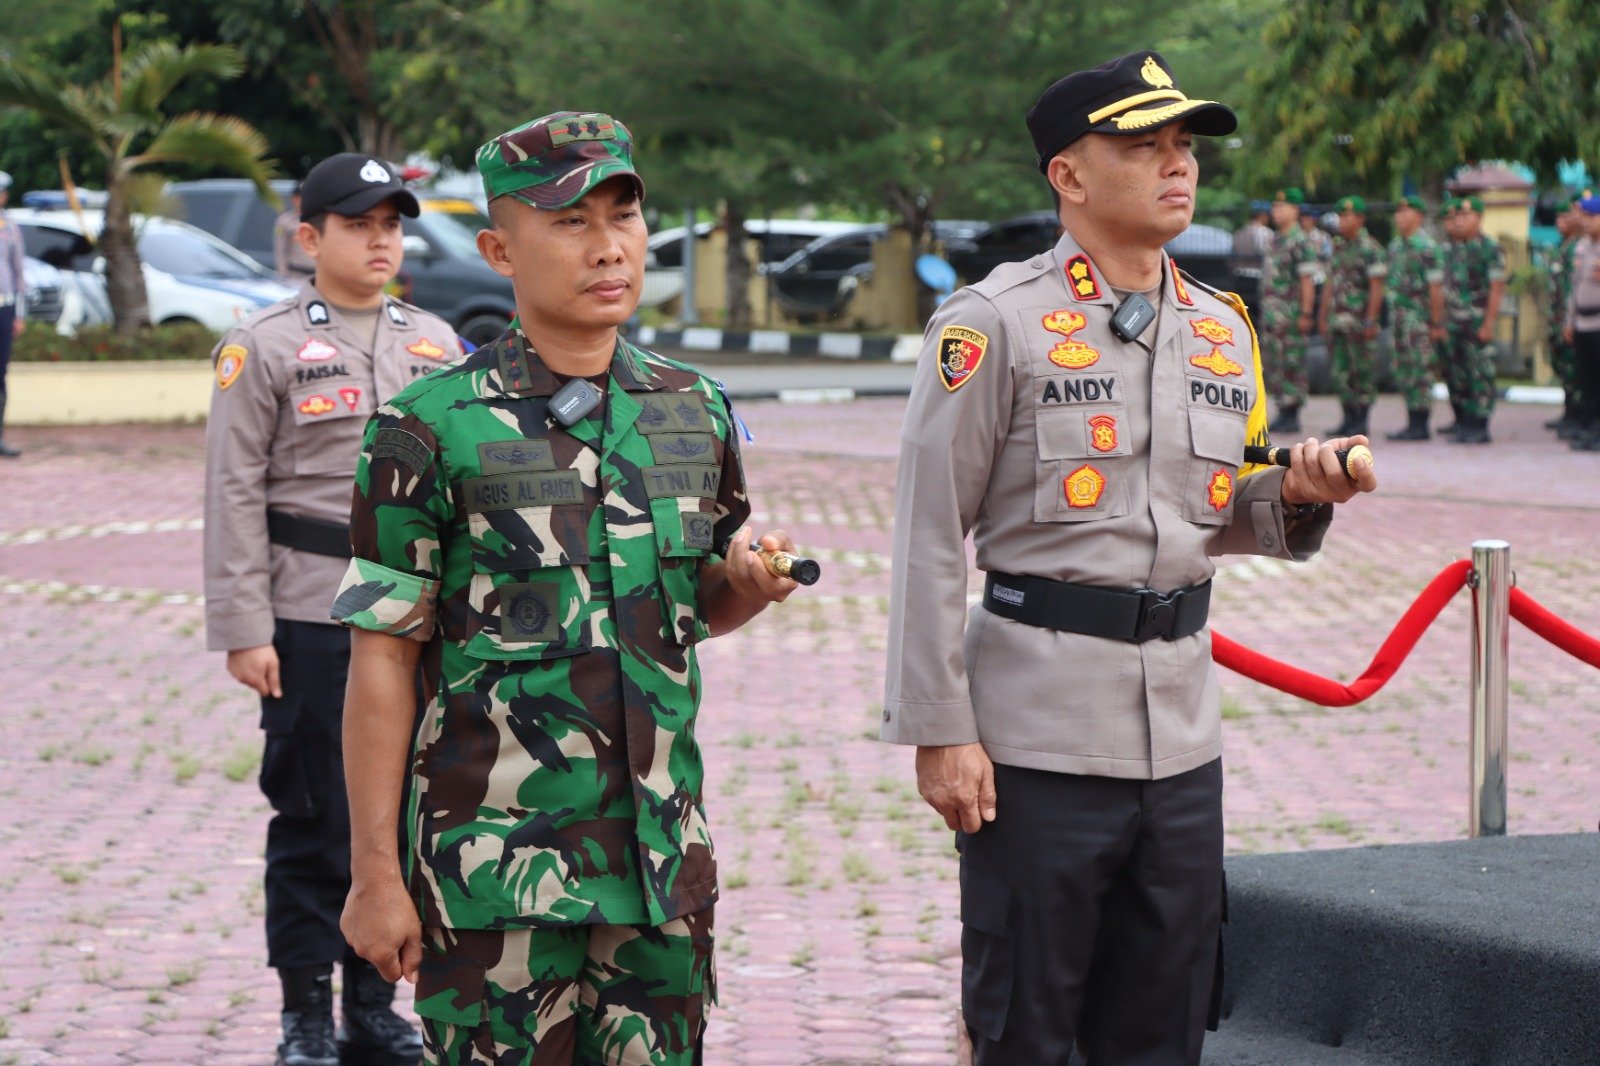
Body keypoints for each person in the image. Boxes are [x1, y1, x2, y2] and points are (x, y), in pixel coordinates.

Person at [882, 51, 1377, 1065]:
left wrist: (1292, 494)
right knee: (1028, 1024)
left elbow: (1209, 512)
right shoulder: (994, 325)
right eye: (1144, 146)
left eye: (1183, 145)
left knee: (1164, 1025)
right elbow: (931, 533)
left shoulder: (1220, 328)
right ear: (1068, 174)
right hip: (1035, 741)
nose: (1176, 165)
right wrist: (940, 729)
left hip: (1181, 740)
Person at [332, 110, 799, 1065]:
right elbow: (383, 657)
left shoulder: (691, 406)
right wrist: (376, 873)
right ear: (500, 247)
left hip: (660, 869)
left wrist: (747, 587)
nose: (608, 247)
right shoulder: (426, 428)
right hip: (493, 878)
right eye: (570, 222)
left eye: (623, 216)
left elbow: (689, 610)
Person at [204, 152, 463, 1066]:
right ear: (310, 238)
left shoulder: (436, 342)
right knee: (316, 821)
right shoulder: (264, 344)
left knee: (401, 819)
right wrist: (244, 629)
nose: (380, 241)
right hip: (310, 616)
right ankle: (305, 1012)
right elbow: (232, 491)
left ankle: (377, 1006)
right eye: (359, 226)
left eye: (392, 225)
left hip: (414, 622)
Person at [1317, 195, 1387, 437]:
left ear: (1360, 218)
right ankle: (1347, 419)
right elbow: (1330, 283)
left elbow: (1377, 286)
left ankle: (1361, 420)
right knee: (1341, 371)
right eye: (1340, 216)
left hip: (1358, 321)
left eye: (1347, 216)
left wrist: (1370, 319)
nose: (1342, 221)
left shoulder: (1370, 249)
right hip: (1337, 319)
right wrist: (1323, 314)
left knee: (1361, 371)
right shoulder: (1337, 245)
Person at [1440, 196, 1507, 444]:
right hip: (1454, 323)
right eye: (1456, 216)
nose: (1458, 221)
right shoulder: (1453, 249)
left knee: (1480, 374)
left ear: (1479, 218)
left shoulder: (1490, 249)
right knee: (1459, 374)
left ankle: (1480, 425)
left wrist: (1489, 323)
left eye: (1465, 216)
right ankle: (1465, 422)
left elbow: (1496, 288)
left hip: (1477, 322)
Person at [1384, 195, 1446, 441]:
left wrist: (1436, 322)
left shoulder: (1427, 248)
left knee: (1421, 371)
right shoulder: (1395, 247)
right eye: (1398, 213)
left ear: (1419, 217)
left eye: (1406, 212)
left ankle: (1421, 423)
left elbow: (1435, 288)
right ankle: (1411, 420)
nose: (1400, 217)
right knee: (1404, 370)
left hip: (1419, 320)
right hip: (1399, 320)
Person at [1258, 187, 1319, 432]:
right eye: (1274, 207)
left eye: (1282, 207)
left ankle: (1293, 412)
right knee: (1275, 362)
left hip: (1291, 314)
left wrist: (1306, 313)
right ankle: (1283, 409)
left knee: (1292, 362)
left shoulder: (1301, 241)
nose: (1277, 212)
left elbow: (1307, 280)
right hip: (1273, 315)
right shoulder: (1274, 239)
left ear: (1295, 210)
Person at [1561, 193, 1600, 452]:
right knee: (1587, 381)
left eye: (1591, 217)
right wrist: (1569, 321)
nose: (1585, 222)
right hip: (1583, 322)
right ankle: (1590, 427)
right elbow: (1573, 287)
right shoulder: (1582, 246)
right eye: (1583, 216)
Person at [1545, 194, 1584, 438]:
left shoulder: (1580, 248)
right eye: (1558, 216)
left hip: (1579, 320)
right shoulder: (1561, 248)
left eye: (1566, 215)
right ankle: (1570, 413)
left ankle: (1579, 417)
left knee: (1578, 370)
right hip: (1559, 319)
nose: (1562, 221)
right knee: (1564, 368)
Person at [0, 170, 26, 459]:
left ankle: (0, 437)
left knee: (0, 372)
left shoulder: (10, 228)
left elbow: (19, 272)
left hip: (4, 306)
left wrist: (20, 314)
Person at [274, 183, 316, 283]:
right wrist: (282, 275)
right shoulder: (285, 222)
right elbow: (280, 250)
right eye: (299, 197)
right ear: (293, 199)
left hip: (318, 274)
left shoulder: (319, 220)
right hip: (296, 275)